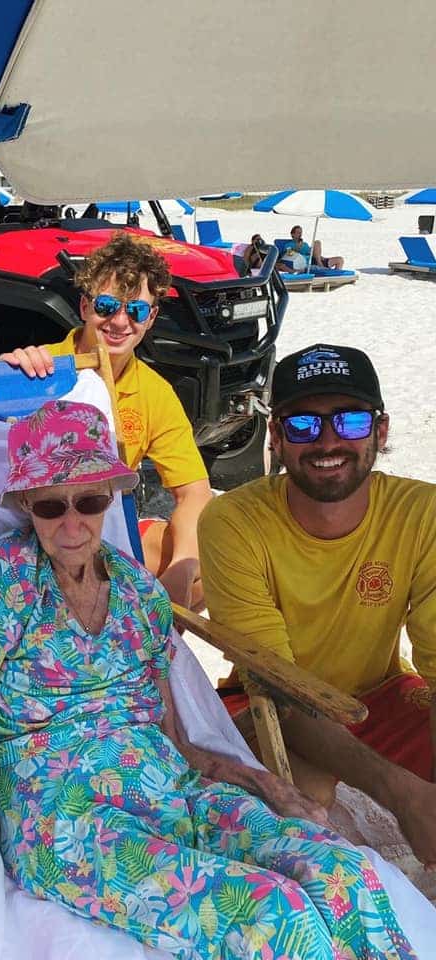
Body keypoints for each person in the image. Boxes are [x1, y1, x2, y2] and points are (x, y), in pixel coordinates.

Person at [0, 399, 417, 958]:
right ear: (27, 503)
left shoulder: (139, 593)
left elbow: (180, 742)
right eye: (52, 505)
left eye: (91, 500)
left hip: (170, 790)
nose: (73, 523)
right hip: (63, 817)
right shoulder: (4, 577)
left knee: (343, 871)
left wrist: (266, 784)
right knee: (274, 912)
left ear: (112, 496)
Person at [199, 343, 436, 869]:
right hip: (269, 707)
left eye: (350, 421)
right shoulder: (234, 523)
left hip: (383, 694)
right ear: (276, 438)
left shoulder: (424, 513)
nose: (328, 440)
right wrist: (401, 792)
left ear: (381, 431)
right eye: (303, 425)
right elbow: (279, 689)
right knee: (309, 802)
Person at [0, 233, 212, 609]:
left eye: (136, 311)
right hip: (30, 531)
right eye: (107, 305)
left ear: (152, 318)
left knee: (207, 567)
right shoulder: (35, 368)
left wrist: (182, 566)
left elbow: (194, 490)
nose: (119, 321)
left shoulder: (154, 393)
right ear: (84, 306)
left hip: (97, 530)